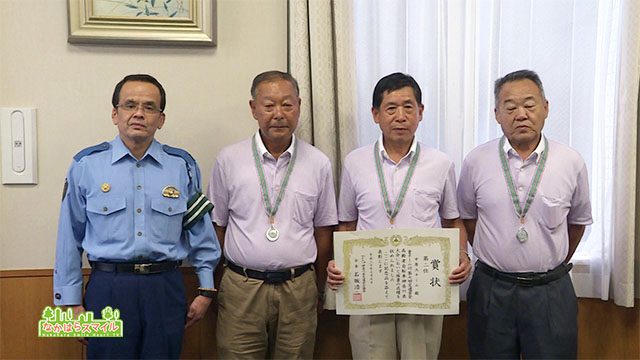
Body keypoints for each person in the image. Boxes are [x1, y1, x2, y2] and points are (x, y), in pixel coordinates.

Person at [53, 74, 221, 359]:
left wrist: (206, 289)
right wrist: (69, 303)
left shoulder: (183, 166)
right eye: (130, 105)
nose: (139, 114)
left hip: (164, 288)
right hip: (108, 288)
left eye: (149, 107)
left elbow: (200, 231)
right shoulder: (86, 165)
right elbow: (69, 236)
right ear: (115, 114)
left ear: (161, 118)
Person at [326, 72, 472, 359]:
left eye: (408, 107)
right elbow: (347, 223)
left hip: (423, 291)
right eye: (391, 108)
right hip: (369, 289)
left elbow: (452, 221)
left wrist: (464, 257)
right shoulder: (355, 162)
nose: (400, 116)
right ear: (375, 114)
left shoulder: (440, 163)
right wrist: (337, 262)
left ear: (420, 112)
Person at [457, 69, 593, 359]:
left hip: (550, 292)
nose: (521, 114)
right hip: (492, 290)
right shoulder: (476, 161)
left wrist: (548, 262)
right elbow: (468, 219)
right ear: (496, 114)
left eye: (529, 105)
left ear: (546, 108)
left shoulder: (571, 161)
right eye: (510, 107)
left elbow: (578, 223)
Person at [207, 70, 337, 359]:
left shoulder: (318, 163)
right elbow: (218, 226)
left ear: (299, 106)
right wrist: (215, 283)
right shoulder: (229, 159)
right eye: (269, 105)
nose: (278, 113)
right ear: (253, 109)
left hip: (298, 287)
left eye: (287, 104)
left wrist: (317, 286)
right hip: (242, 287)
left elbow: (323, 230)